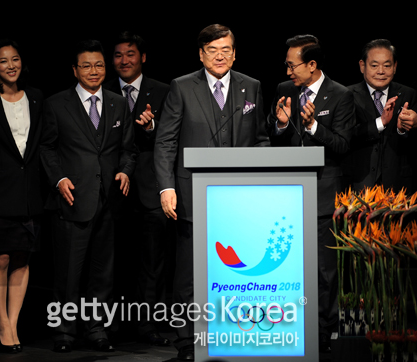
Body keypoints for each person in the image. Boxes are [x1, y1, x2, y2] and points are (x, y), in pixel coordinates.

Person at [154, 24, 269, 361]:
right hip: (192, 197)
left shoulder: (252, 87)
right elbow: (165, 142)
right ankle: (186, 341)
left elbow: (260, 138)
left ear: (235, 53)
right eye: (212, 50)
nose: (220, 56)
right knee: (189, 275)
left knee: (235, 272)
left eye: (226, 50)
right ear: (201, 54)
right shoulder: (181, 87)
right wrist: (166, 187)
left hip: (238, 199)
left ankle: (231, 335)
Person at [40, 39, 136, 354]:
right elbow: (47, 147)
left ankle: (99, 330)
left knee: (103, 274)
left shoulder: (118, 102)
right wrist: (59, 178)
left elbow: (128, 149)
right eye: (86, 65)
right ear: (74, 70)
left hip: (109, 201)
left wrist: (124, 170)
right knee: (68, 273)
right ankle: (65, 333)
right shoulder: (56, 104)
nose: (93, 71)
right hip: (73, 200)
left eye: (98, 65)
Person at [267, 34, 355, 353]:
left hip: (323, 195)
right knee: (289, 265)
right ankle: (291, 324)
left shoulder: (341, 95)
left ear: (312, 65)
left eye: (293, 65)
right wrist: (278, 124)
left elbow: (344, 145)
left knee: (322, 268)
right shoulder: (284, 90)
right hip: (288, 194)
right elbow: (271, 135)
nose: (288, 70)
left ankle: (323, 328)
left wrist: (316, 129)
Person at [0, 39, 45, 354]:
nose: (11, 65)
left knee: (22, 257)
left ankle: (14, 322)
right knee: (0, 256)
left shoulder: (38, 98)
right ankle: (1, 321)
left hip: (30, 191)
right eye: (4, 61)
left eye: (15, 59)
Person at [104, 31, 172, 346]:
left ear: (142, 57)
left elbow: (172, 139)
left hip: (150, 188)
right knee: (114, 261)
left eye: (130, 54)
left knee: (153, 263)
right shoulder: (100, 90)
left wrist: (151, 127)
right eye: (118, 55)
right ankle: (113, 324)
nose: (124, 60)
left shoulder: (164, 90)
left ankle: (149, 325)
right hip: (112, 188)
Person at [343, 39, 416, 194]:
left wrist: (407, 127)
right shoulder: (346, 95)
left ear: (395, 67)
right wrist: (380, 122)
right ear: (362, 66)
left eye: (387, 65)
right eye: (374, 65)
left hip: (399, 186)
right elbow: (346, 136)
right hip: (359, 184)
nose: (381, 71)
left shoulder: (408, 94)